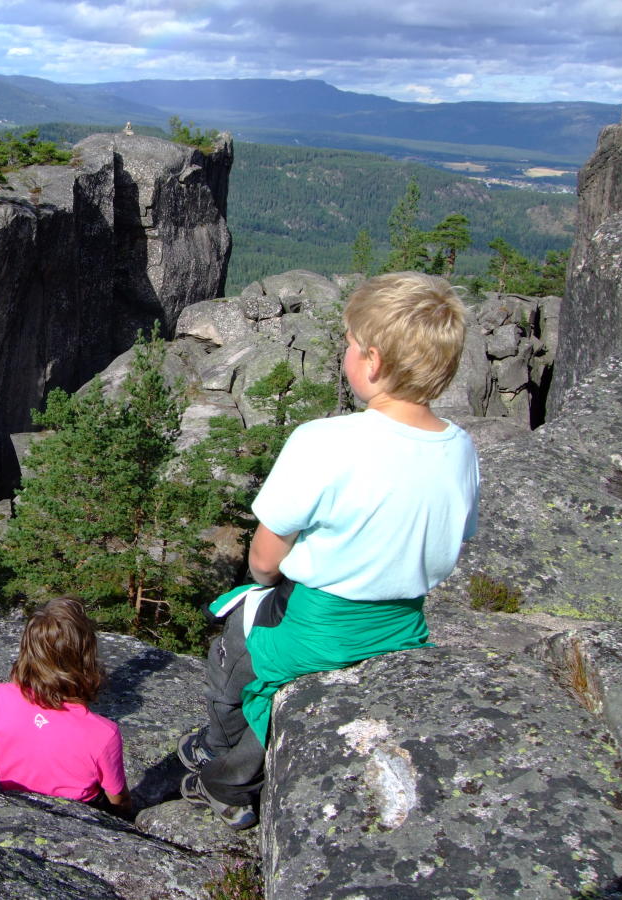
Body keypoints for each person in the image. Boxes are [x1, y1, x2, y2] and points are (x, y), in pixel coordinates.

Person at [178, 271, 480, 829]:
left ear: (372, 360)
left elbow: (266, 558)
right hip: (403, 627)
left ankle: (223, 773)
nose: (344, 353)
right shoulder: (460, 447)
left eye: (347, 343)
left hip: (320, 628)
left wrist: (265, 585)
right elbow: (456, 537)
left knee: (236, 646)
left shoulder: (325, 440)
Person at [0, 597, 131, 816]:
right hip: (80, 816)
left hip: (14, 806)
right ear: (85, 657)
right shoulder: (104, 733)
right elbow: (119, 800)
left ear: (27, 650)